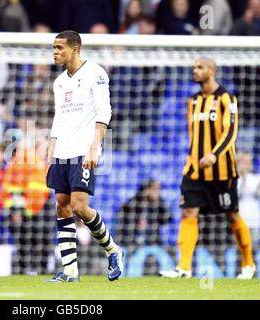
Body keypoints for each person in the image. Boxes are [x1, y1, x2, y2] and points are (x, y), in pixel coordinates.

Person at [159, 57, 256, 280]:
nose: (195, 71)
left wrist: (214, 154)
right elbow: (193, 136)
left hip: (221, 171)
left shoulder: (226, 98)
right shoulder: (192, 101)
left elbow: (231, 132)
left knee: (232, 216)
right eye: (194, 67)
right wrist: (193, 159)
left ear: (211, 71)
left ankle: (248, 263)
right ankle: (183, 267)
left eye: (199, 67)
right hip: (194, 171)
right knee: (188, 213)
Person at [46, 30, 123, 282]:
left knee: (79, 206)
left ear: (74, 49)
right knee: (62, 205)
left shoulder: (95, 72)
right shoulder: (59, 82)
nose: (55, 52)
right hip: (63, 151)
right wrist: (51, 148)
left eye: (59, 48)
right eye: (54, 48)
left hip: (83, 149)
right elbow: (60, 118)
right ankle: (70, 271)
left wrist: (94, 147)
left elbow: (105, 112)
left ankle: (113, 249)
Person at [116, 179, 171, 247]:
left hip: (152, 243)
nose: (158, 193)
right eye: (154, 189)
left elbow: (168, 219)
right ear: (147, 190)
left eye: (159, 190)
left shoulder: (159, 205)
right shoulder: (132, 205)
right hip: (132, 243)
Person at [237, 151, 260, 245]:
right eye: (244, 162)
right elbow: (238, 195)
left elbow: (258, 195)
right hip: (240, 220)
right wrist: (243, 178)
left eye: (248, 162)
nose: (246, 165)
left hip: (255, 220)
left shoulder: (256, 178)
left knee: (254, 250)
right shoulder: (235, 179)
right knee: (240, 250)